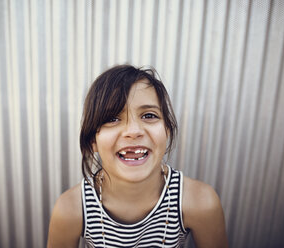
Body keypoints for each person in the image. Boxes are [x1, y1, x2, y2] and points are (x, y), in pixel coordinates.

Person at [47, 65, 229, 248]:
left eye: (149, 115)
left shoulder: (200, 202)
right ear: (93, 140)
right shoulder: (70, 209)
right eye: (112, 119)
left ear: (166, 131)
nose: (133, 131)